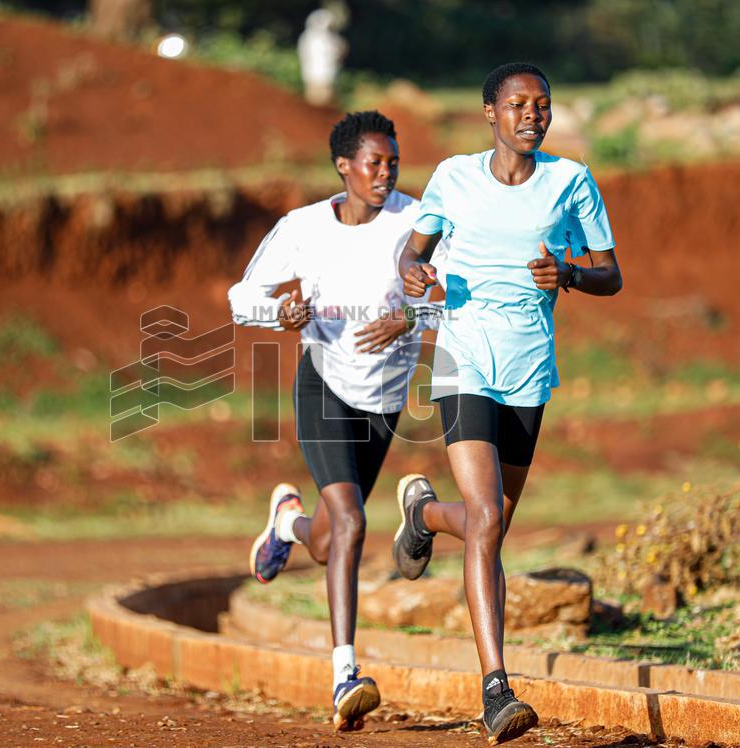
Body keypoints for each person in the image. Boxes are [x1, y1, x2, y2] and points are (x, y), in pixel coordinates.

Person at [392, 62, 622, 744]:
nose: (532, 115)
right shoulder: (454, 178)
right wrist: (414, 273)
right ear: (490, 112)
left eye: (542, 104)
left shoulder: (570, 182)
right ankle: (497, 689)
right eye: (518, 104)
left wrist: (570, 273)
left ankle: (423, 514)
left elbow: (611, 273)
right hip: (463, 357)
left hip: (529, 368)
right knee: (488, 517)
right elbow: (412, 253)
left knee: (491, 525)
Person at [228, 111, 436, 731]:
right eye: (374, 162)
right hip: (323, 384)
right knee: (351, 520)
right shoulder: (303, 228)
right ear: (344, 166)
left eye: (392, 162)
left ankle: (286, 524)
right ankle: (346, 673)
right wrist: (281, 313)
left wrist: (411, 318)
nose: (385, 173)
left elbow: (456, 294)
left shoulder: (417, 221)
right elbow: (242, 298)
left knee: (326, 541)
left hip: (385, 400)